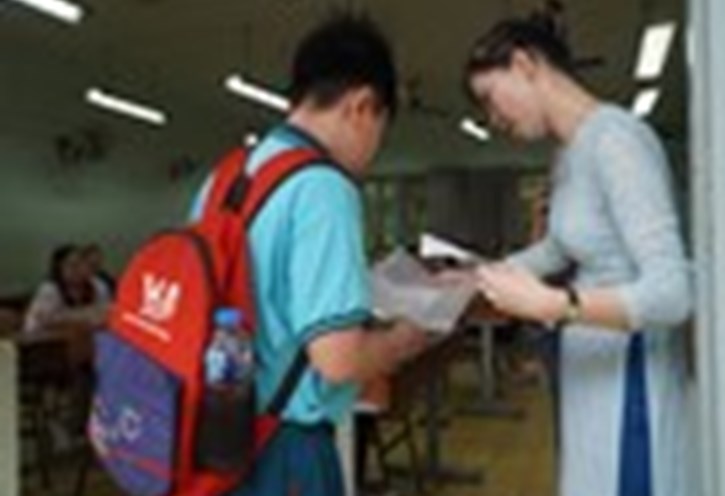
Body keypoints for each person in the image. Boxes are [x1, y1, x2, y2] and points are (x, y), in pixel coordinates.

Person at [190, 14, 429, 496]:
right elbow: (338, 360)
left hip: (214, 437)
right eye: (380, 132)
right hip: (283, 449)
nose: (372, 152)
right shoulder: (323, 188)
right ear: (362, 107)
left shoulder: (225, 177)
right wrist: (406, 338)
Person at [464, 13, 693, 496]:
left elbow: (674, 292)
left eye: (490, 98)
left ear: (526, 65)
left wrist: (555, 305)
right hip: (590, 368)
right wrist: (487, 274)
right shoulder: (569, 152)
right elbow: (561, 245)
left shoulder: (617, 140)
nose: (493, 119)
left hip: (630, 378)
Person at [24, 244, 111, 334]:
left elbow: (106, 314)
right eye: (71, 265)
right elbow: (42, 322)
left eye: (81, 264)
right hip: (50, 340)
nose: (78, 270)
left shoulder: (97, 285)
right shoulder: (50, 290)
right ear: (59, 269)